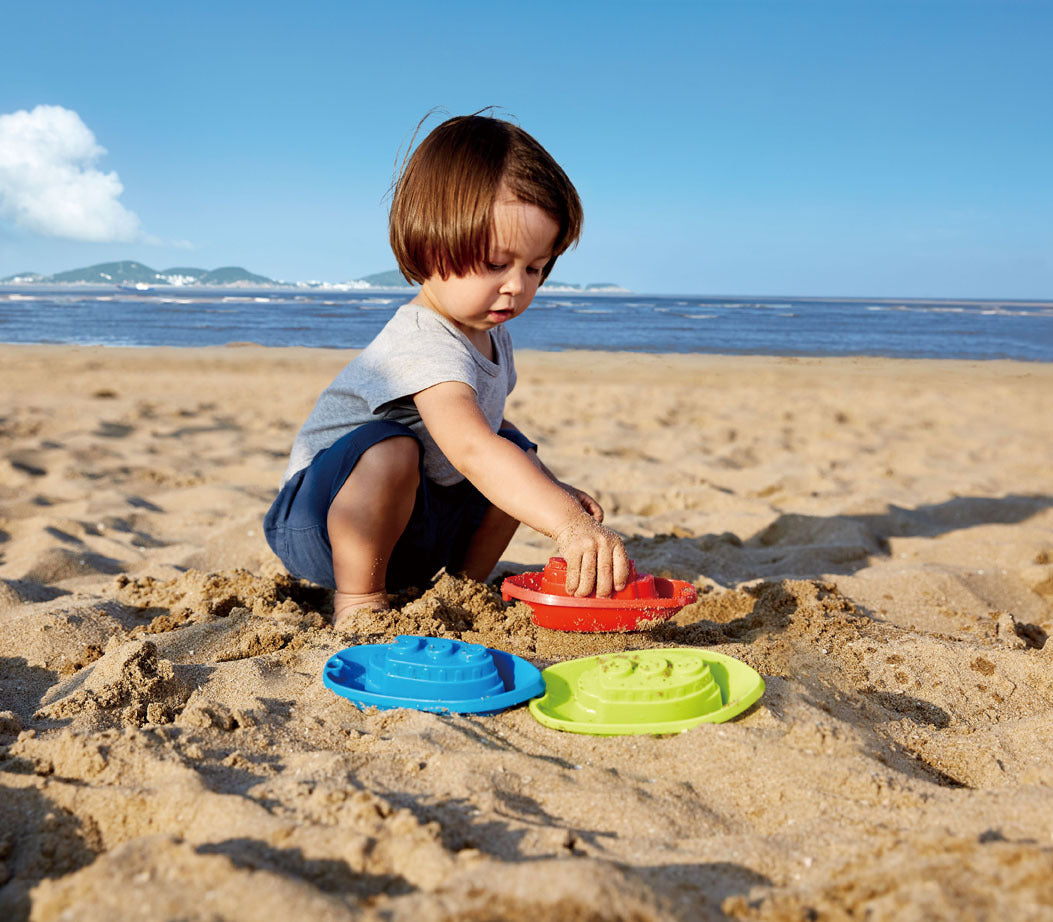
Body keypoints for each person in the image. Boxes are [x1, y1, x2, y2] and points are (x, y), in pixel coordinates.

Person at [264, 113, 630, 630]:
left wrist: (551, 491)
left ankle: (462, 589)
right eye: (497, 263)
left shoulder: (491, 330)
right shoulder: (423, 339)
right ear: (431, 246)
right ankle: (360, 601)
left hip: (414, 530)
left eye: (535, 268)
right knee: (395, 447)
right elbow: (471, 450)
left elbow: (488, 441)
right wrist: (567, 526)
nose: (517, 287)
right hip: (323, 527)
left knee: (517, 452)